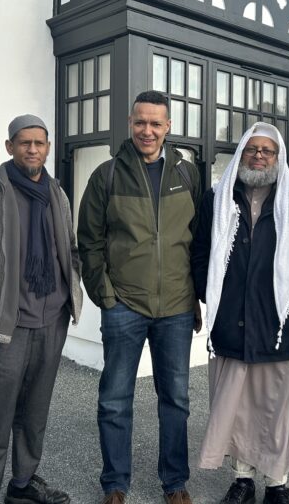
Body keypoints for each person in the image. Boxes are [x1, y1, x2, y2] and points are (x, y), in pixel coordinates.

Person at [0, 114, 82, 504]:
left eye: (40, 143)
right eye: (25, 143)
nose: (33, 149)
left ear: (49, 147)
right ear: (10, 146)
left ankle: (22, 486)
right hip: (6, 328)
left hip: (51, 322)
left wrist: (71, 297)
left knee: (34, 414)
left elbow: (68, 251)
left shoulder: (57, 194)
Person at [77, 91, 202, 504]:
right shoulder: (107, 175)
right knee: (115, 400)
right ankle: (115, 483)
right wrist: (106, 297)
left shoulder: (188, 174)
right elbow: (89, 242)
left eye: (156, 123)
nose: (147, 131)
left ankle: (175, 481)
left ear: (168, 127)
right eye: (140, 122)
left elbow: (199, 240)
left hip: (177, 308)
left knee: (177, 400)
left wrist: (197, 298)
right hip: (124, 306)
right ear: (130, 124)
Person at [192, 123, 289, 504]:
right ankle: (242, 479)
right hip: (230, 324)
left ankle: (277, 483)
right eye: (252, 149)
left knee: (276, 409)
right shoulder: (218, 198)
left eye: (267, 150)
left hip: (279, 327)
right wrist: (214, 295)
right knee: (235, 407)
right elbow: (200, 254)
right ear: (241, 155)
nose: (259, 156)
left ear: (278, 158)